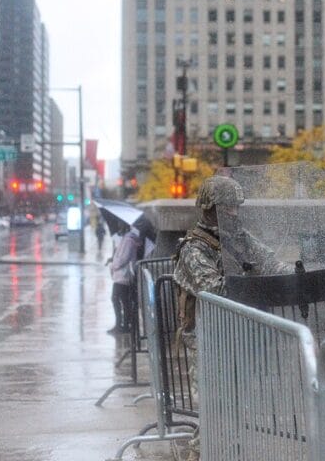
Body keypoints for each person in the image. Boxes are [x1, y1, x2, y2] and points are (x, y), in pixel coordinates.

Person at [171, 175, 288, 461]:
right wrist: (256, 282)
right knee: (215, 410)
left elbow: (269, 261)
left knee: (235, 410)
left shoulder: (239, 238)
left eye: (236, 206)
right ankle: (200, 455)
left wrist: (292, 276)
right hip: (207, 341)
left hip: (237, 336)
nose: (234, 212)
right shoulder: (194, 248)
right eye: (227, 207)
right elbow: (215, 289)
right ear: (209, 207)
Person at [106, 218, 147, 334]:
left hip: (123, 275)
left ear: (125, 225)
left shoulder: (128, 240)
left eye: (120, 224)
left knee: (116, 299)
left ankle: (122, 325)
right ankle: (124, 324)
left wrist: (114, 265)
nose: (119, 226)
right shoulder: (126, 239)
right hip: (121, 275)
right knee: (123, 300)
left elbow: (124, 258)